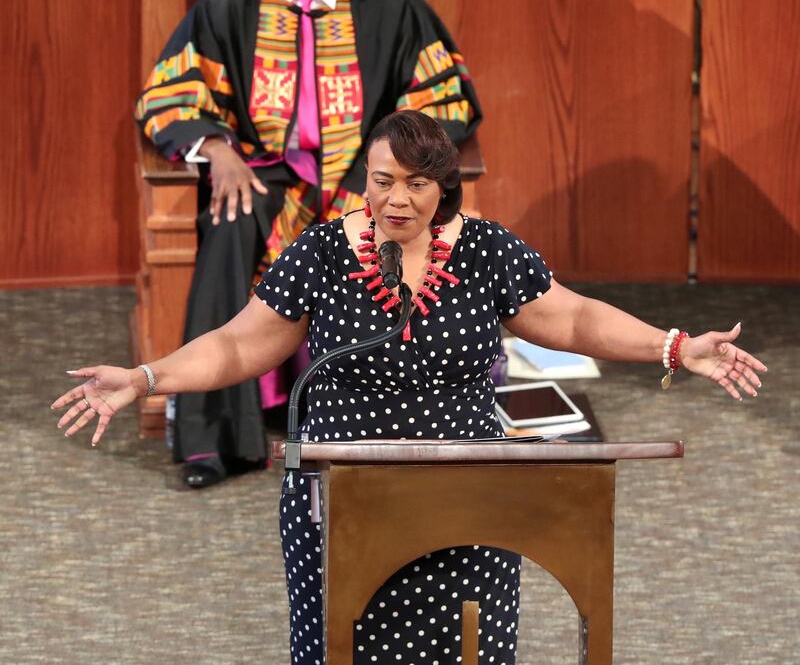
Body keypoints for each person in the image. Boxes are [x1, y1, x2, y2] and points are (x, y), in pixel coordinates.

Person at [53, 111, 766, 665]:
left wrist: (672, 345)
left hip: (469, 497)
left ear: (443, 186)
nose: (396, 198)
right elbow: (241, 341)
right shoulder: (326, 252)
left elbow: (574, 317)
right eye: (381, 178)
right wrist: (146, 379)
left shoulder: (487, 253)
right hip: (345, 495)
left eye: (415, 183)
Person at [134, 0, 482, 488]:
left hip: (369, 175)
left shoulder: (392, 7)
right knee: (230, 218)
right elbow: (171, 91)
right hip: (262, 172)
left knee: (392, 225)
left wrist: (388, 174)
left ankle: (384, 426)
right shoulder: (229, 5)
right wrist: (216, 148)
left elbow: (445, 98)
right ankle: (215, 440)